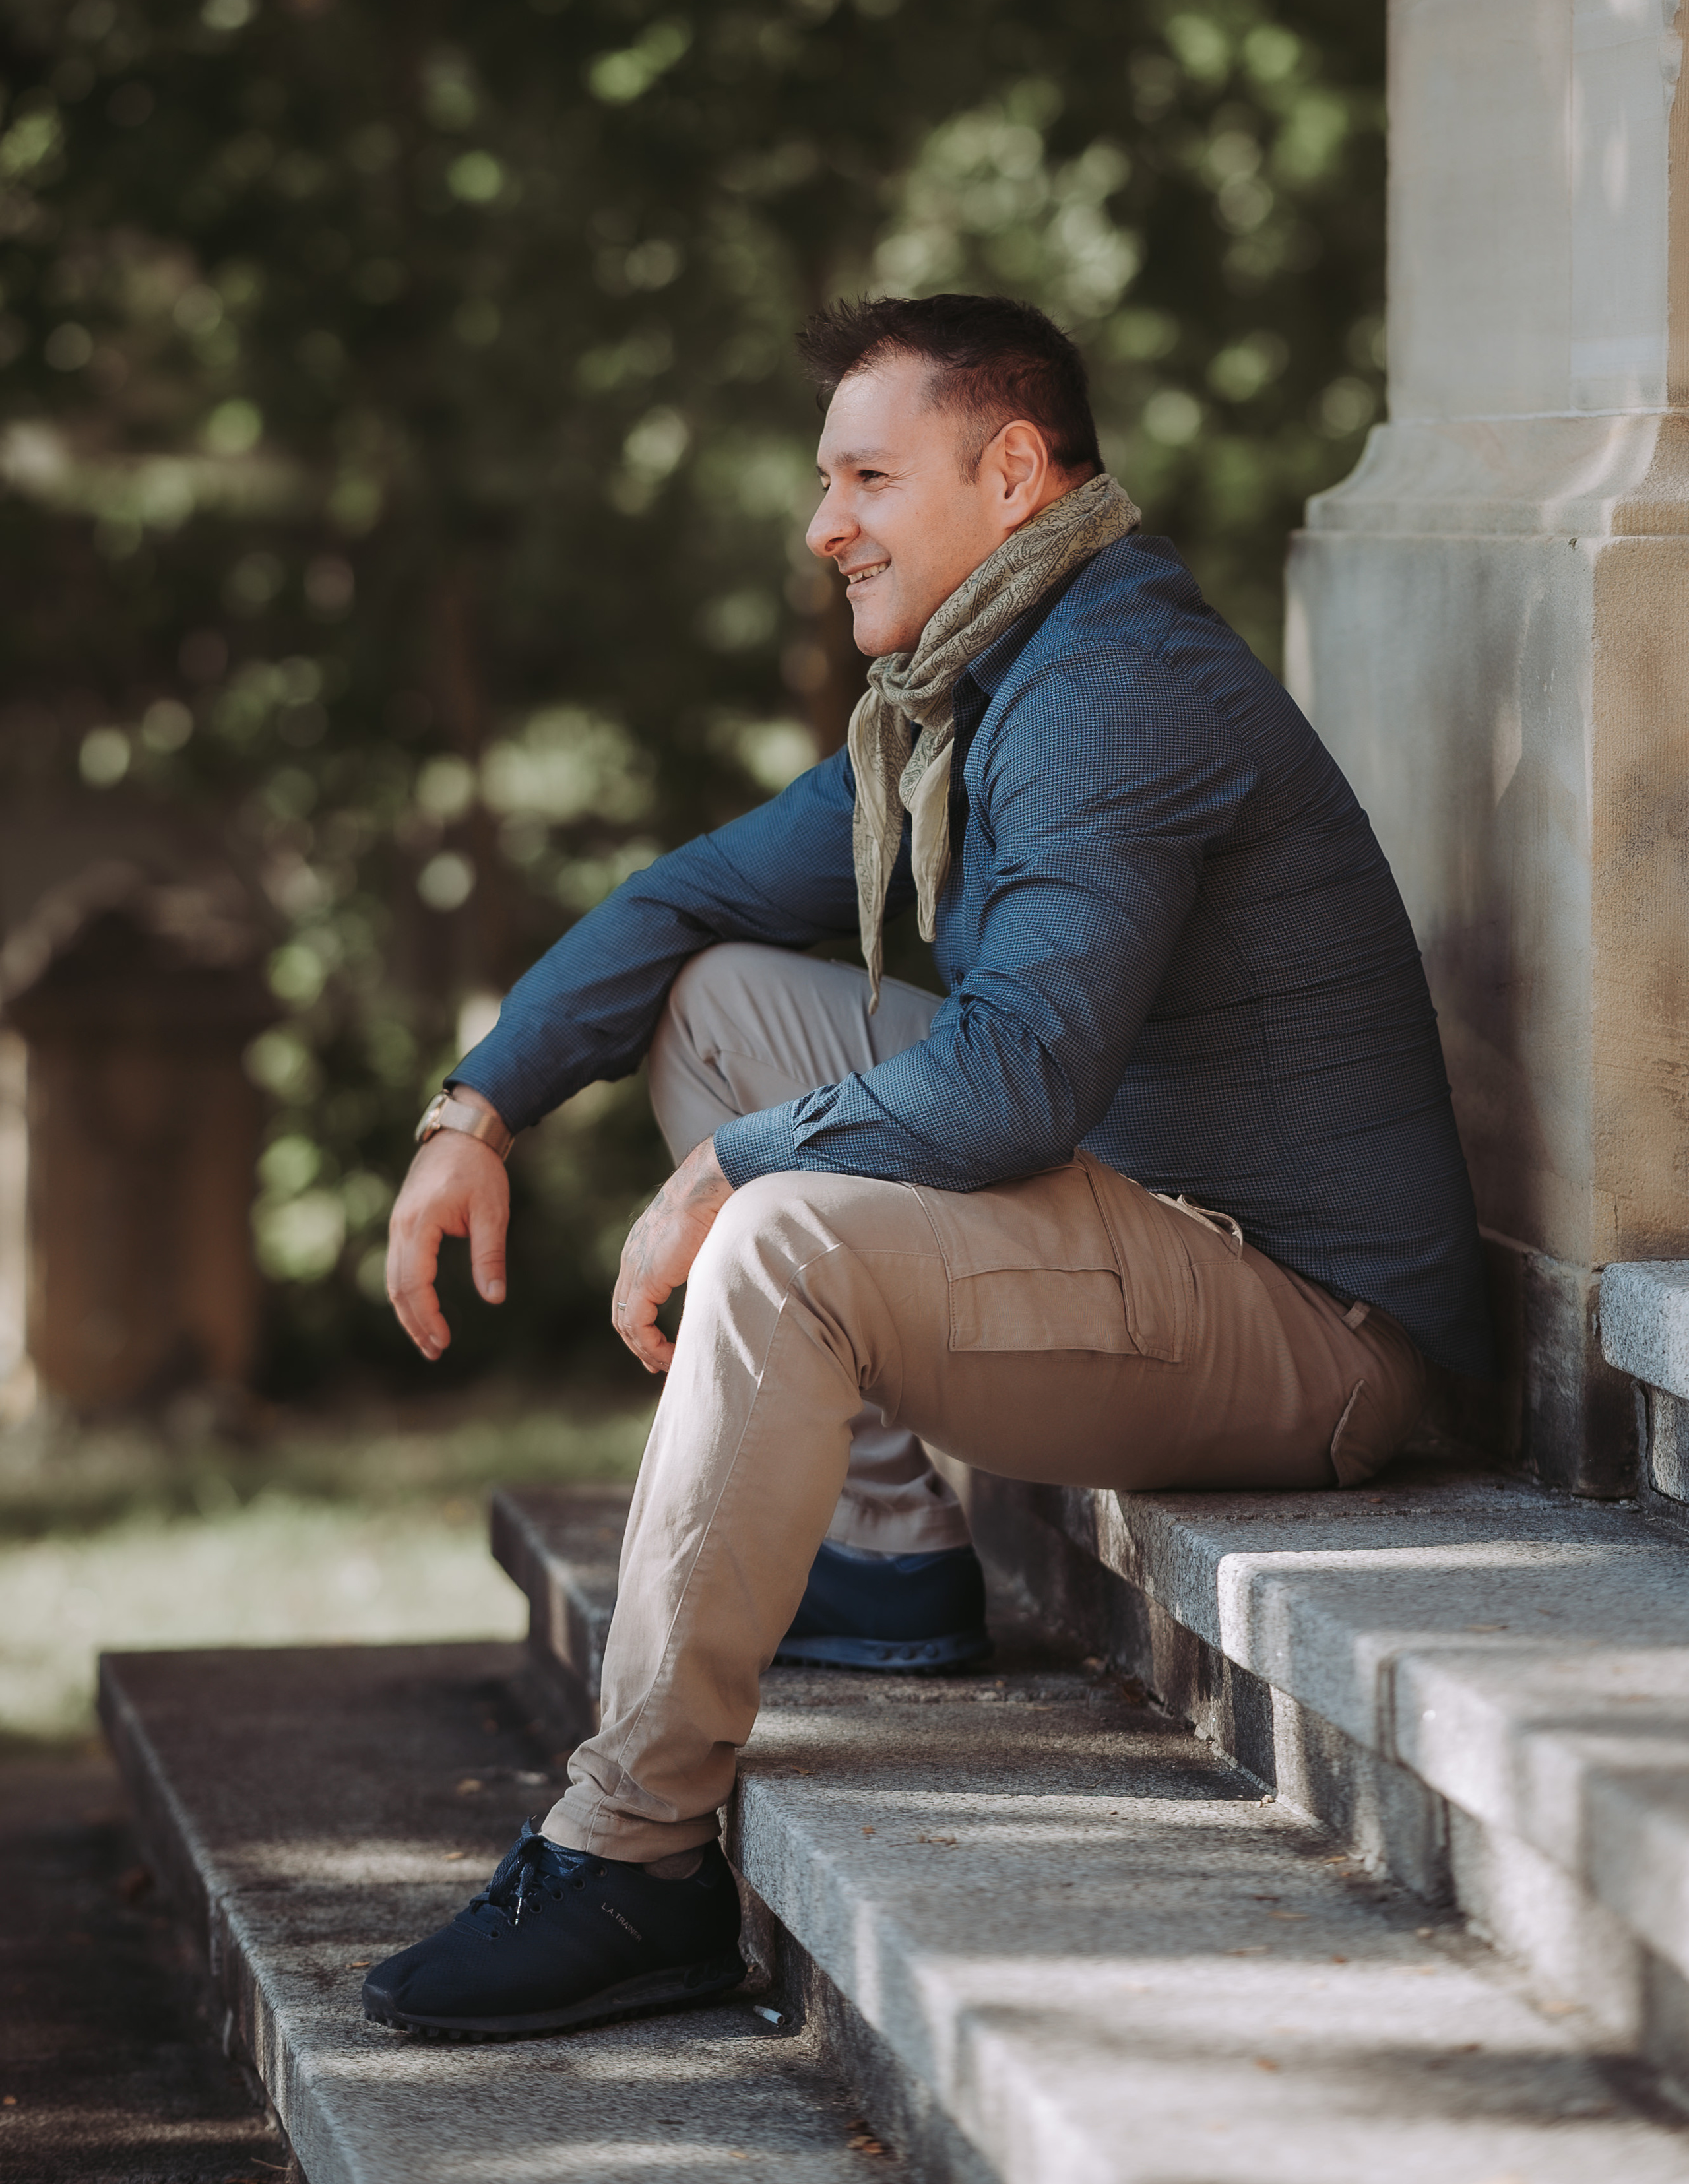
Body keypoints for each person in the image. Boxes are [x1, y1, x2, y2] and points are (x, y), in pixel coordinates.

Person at [363, 292, 1490, 2040]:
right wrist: (475, 1110)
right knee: (718, 997)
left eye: (869, 475)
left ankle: (637, 1852)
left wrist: (731, 1169)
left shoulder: (1111, 693)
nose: (827, 525)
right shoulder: (975, 692)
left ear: (1016, 471)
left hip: (1309, 1325)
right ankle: (887, 1558)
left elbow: (1020, 1080)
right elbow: (690, 898)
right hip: (1146, 1223)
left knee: (786, 1234)